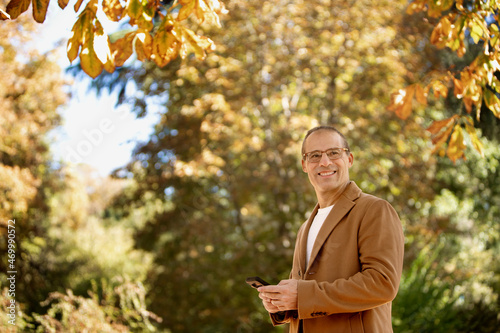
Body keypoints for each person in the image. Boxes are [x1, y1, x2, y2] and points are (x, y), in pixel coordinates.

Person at [257, 125, 404, 332]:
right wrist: (282, 304)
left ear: (349, 159)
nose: (324, 162)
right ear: (304, 165)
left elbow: (382, 283)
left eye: (334, 153)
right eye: (314, 155)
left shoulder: (374, 209)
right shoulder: (305, 228)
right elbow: (306, 299)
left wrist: (303, 295)